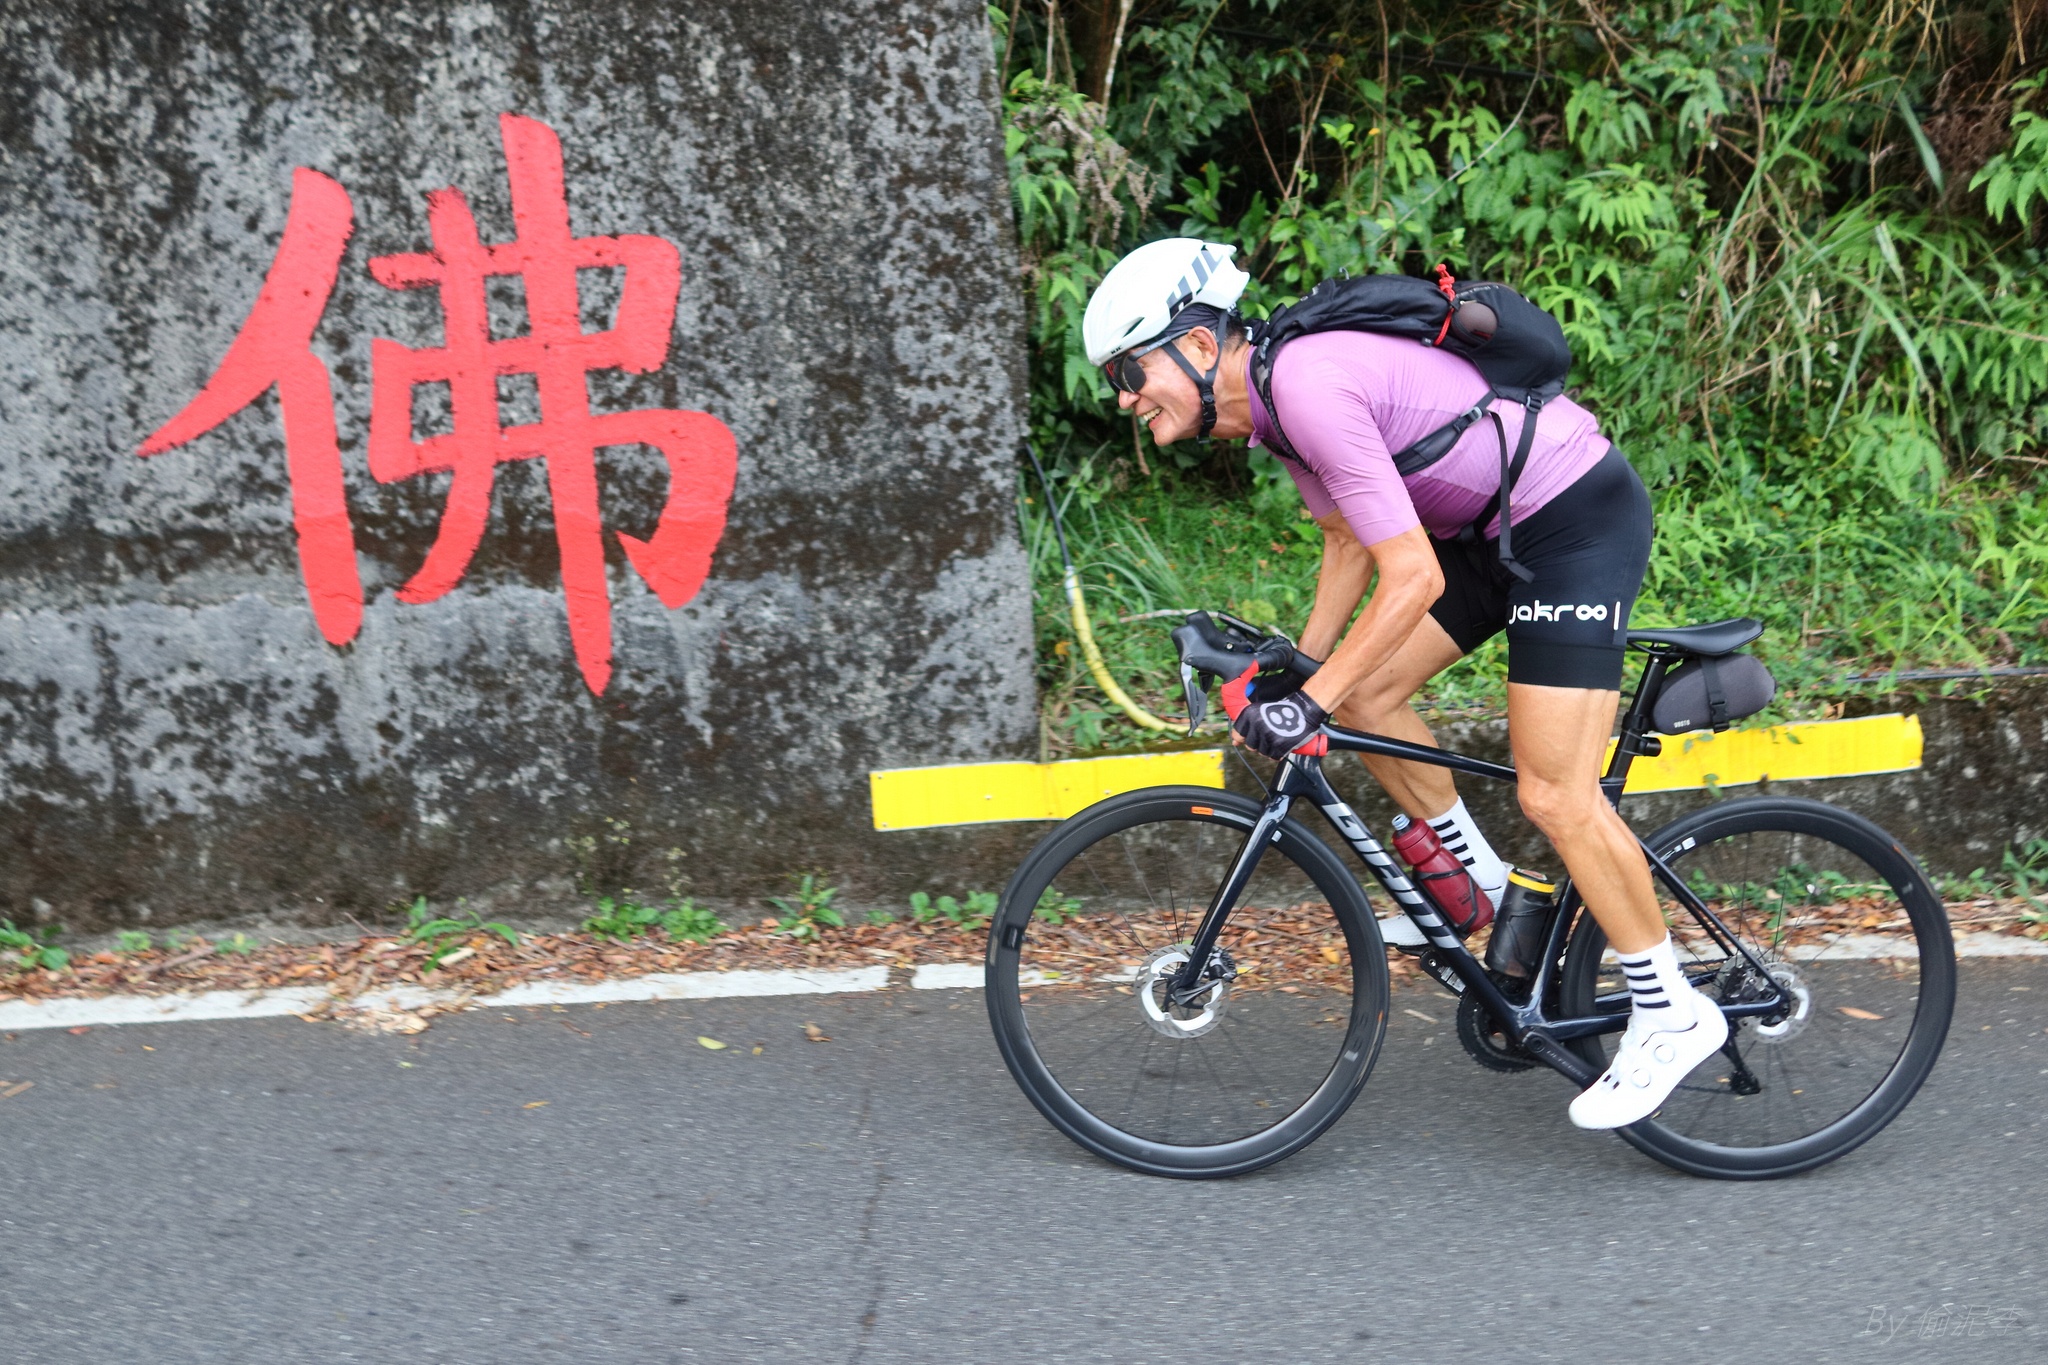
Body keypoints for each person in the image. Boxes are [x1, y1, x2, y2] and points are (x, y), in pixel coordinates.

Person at [1079, 237, 1726, 1130]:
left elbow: (1411, 577)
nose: (1123, 396)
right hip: (1490, 532)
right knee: (1364, 694)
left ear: (1195, 346)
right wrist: (1304, 669)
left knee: (1556, 794)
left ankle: (1672, 1010)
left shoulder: (1305, 384)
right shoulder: (1272, 403)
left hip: (1572, 520)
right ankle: (1484, 890)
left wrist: (1308, 701)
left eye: (1129, 370)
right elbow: (1350, 538)